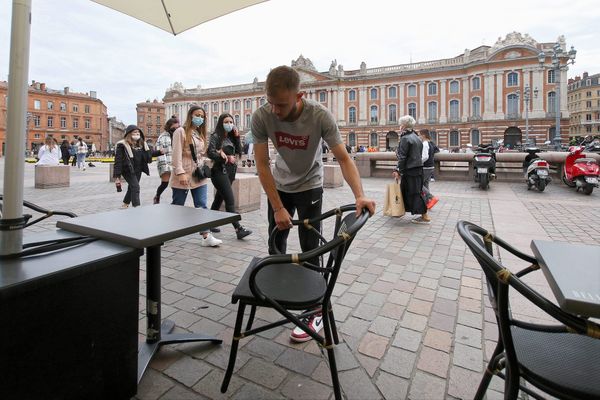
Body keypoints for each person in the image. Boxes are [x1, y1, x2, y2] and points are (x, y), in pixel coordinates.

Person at [252, 65, 376, 342]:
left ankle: (314, 309)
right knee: (276, 241)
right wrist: (277, 207)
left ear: (300, 96)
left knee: (311, 245)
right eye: (270, 103)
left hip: (310, 183)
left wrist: (359, 195)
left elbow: (344, 157)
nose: (275, 111)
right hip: (279, 184)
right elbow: (261, 164)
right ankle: (278, 291)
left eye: (281, 104)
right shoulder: (262, 115)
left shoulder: (320, 115)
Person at [171, 105, 222, 247]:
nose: (199, 118)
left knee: (201, 205)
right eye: (197, 115)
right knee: (177, 206)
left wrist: (218, 152)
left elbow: (202, 154)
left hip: (198, 175)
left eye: (202, 116)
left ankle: (206, 236)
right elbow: (176, 155)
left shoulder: (200, 134)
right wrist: (180, 173)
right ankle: (166, 230)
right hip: (184, 174)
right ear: (190, 116)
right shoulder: (180, 132)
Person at [207, 113, 252, 239]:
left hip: (230, 173)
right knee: (230, 201)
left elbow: (239, 151)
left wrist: (237, 137)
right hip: (219, 172)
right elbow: (209, 152)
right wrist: (226, 158)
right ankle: (239, 229)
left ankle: (209, 224)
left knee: (218, 200)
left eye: (231, 122)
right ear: (221, 123)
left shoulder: (232, 137)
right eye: (226, 122)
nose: (229, 124)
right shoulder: (216, 136)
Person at [392, 115, 428, 224]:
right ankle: (398, 211)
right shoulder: (416, 137)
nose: (399, 126)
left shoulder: (405, 138)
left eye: (400, 124)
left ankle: (425, 216)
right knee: (411, 191)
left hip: (410, 170)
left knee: (414, 193)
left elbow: (403, 157)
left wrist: (398, 170)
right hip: (417, 169)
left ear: (403, 126)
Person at [113, 125, 152, 208]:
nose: (137, 134)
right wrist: (117, 177)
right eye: (134, 132)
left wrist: (160, 152)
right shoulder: (122, 145)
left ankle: (125, 204)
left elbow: (149, 154)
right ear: (129, 134)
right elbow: (118, 161)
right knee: (136, 187)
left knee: (132, 187)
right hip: (127, 170)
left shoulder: (142, 144)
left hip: (138, 170)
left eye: (138, 132)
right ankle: (136, 207)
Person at [153, 116, 180, 204]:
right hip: (166, 163)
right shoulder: (162, 137)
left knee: (176, 184)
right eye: (173, 128)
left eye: (177, 127)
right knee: (165, 183)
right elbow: (160, 152)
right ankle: (157, 195)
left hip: (177, 163)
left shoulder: (178, 135)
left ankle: (176, 201)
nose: (176, 129)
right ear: (168, 127)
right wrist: (165, 167)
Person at [418, 129, 439, 210]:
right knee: (426, 185)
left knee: (419, 185)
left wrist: (418, 162)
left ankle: (432, 197)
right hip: (431, 167)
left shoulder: (425, 144)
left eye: (420, 135)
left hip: (425, 167)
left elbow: (425, 156)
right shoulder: (430, 143)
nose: (419, 137)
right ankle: (427, 203)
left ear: (423, 135)